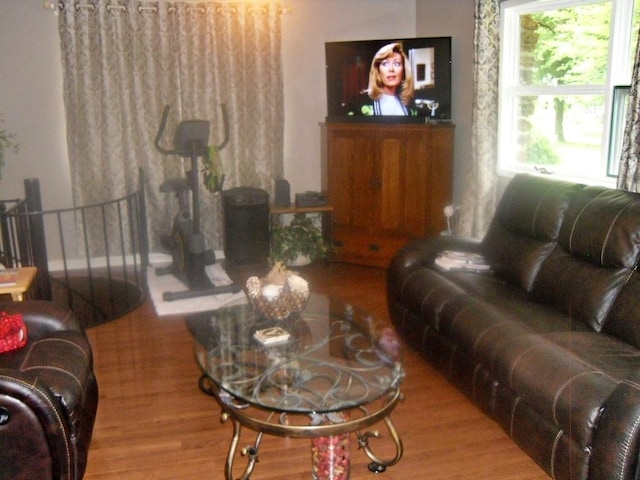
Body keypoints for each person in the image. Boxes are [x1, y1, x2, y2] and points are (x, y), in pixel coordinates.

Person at [347, 42, 418, 117]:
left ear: (404, 70)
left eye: (397, 63)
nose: (391, 69)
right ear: (378, 70)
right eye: (385, 64)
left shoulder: (410, 104)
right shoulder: (358, 103)